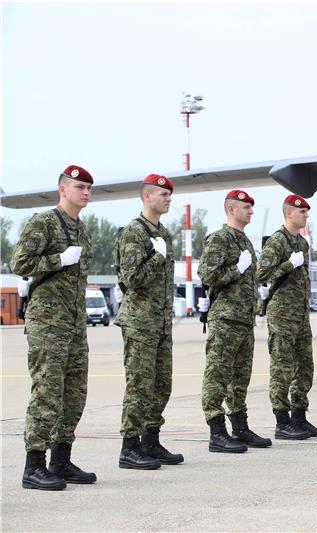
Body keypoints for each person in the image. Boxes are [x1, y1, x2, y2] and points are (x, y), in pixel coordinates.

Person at [11, 165, 96, 490]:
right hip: (48, 323)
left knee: (74, 393)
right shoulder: (45, 222)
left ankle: (61, 459)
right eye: (79, 187)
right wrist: (57, 259)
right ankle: (34, 465)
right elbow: (21, 263)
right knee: (47, 392)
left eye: (88, 188)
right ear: (63, 189)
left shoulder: (82, 229)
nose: (85, 193)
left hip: (74, 323)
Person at [115, 174, 183, 470]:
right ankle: (129, 447)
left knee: (161, 385)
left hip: (161, 323)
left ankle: (150, 441)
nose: (168, 199)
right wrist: (156, 258)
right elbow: (131, 279)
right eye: (163, 194)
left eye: (170, 195)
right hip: (140, 323)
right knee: (140, 386)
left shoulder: (163, 234)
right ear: (147, 197)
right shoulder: (135, 232)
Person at [197, 189, 271, 454]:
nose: (251, 210)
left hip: (243, 318)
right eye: (246, 206)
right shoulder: (220, 239)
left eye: (251, 207)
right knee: (217, 375)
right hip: (225, 318)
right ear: (231, 209)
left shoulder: (245, 242)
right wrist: (236, 269)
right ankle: (217, 432)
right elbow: (207, 274)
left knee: (241, 376)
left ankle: (240, 427)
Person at [257, 194, 317, 439]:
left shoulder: (302, 243)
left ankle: (299, 416)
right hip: (282, 314)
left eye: (307, 212)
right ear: (289, 214)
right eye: (302, 212)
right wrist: (288, 264)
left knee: (305, 366)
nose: (306, 215)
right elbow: (260, 272)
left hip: (300, 314)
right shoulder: (277, 242)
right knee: (282, 367)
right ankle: (282, 421)